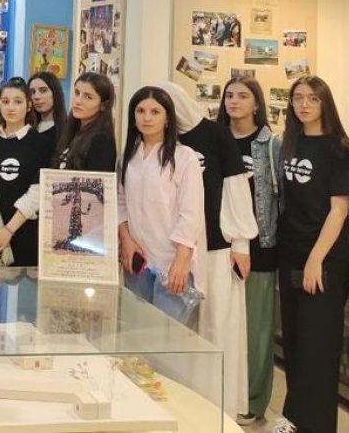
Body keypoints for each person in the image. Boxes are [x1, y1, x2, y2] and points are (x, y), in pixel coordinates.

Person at [159, 82, 257, 419]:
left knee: (218, 327)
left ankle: (219, 407)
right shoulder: (163, 139)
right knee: (181, 329)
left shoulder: (216, 135)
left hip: (217, 247)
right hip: (175, 251)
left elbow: (235, 188)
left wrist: (241, 243)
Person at [277, 75, 349, 433]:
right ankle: (293, 421)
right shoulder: (289, 143)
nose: (304, 104)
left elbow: (339, 211)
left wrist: (315, 259)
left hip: (325, 259)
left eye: (312, 98)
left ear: (325, 103)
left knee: (318, 349)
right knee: (294, 345)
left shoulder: (339, 149)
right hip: (291, 256)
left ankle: (315, 426)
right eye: (298, 98)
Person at [220, 77, 281, 427]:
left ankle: (253, 401)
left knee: (256, 330)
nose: (234, 101)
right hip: (219, 246)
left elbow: (279, 198)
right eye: (229, 95)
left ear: (256, 103)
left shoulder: (270, 145)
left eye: (243, 96)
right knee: (224, 326)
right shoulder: (215, 139)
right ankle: (224, 393)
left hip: (260, 248)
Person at [117, 86, 205, 325]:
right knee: (136, 333)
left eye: (155, 112)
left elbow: (191, 213)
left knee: (166, 336)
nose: (147, 117)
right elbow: (120, 202)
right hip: (138, 260)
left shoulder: (185, 157)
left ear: (167, 118)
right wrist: (126, 241)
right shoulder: (128, 157)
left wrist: (182, 259)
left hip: (171, 261)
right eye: (140, 111)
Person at [0, 78, 52, 267]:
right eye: (5, 101)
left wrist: (8, 231)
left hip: (22, 233)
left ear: (29, 106)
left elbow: (37, 191)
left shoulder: (40, 143)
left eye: (18, 101)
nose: (11, 107)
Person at [53, 72, 117, 172]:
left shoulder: (102, 140)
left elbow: (96, 180)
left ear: (103, 105)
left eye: (88, 97)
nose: (78, 101)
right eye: (77, 93)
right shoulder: (72, 131)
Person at [28, 71, 67, 142]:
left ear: (55, 92)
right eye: (32, 92)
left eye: (43, 91)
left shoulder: (68, 130)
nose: (37, 97)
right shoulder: (27, 128)